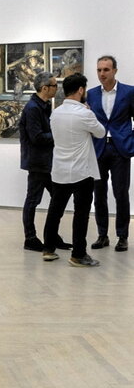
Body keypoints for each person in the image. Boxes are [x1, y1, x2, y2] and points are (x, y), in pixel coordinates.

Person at [41, 73, 105, 267]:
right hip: (81, 171)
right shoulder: (85, 113)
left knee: (55, 210)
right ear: (80, 90)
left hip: (60, 169)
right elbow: (101, 132)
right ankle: (78, 254)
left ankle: (48, 249)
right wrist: (88, 111)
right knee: (81, 213)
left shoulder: (56, 113)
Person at [19, 71, 71, 251]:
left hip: (47, 162)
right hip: (37, 163)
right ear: (44, 88)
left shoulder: (44, 105)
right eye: (54, 85)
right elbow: (37, 137)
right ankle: (30, 238)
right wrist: (58, 134)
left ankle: (52, 235)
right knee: (33, 200)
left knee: (57, 197)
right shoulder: (33, 108)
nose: (57, 88)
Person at [87, 55, 134, 252]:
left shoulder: (129, 92)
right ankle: (102, 234)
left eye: (106, 70)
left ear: (115, 70)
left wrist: (131, 140)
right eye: (99, 70)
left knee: (120, 193)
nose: (102, 74)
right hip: (98, 148)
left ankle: (122, 236)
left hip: (120, 148)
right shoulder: (91, 94)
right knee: (99, 194)